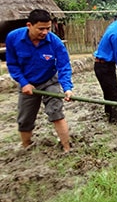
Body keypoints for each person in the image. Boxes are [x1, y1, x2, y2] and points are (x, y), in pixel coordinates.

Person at [5, 9, 73, 152]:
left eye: (48, 28)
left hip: (50, 80)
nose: (45, 32)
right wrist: (24, 83)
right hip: (28, 83)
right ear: (29, 25)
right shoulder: (13, 38)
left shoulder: (54, 42)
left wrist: (67, 88)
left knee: (56, 113)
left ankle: (67, 148)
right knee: (25, 119)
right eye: (41, 29)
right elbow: (13, 65)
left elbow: (64, 65)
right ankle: (26, 146)